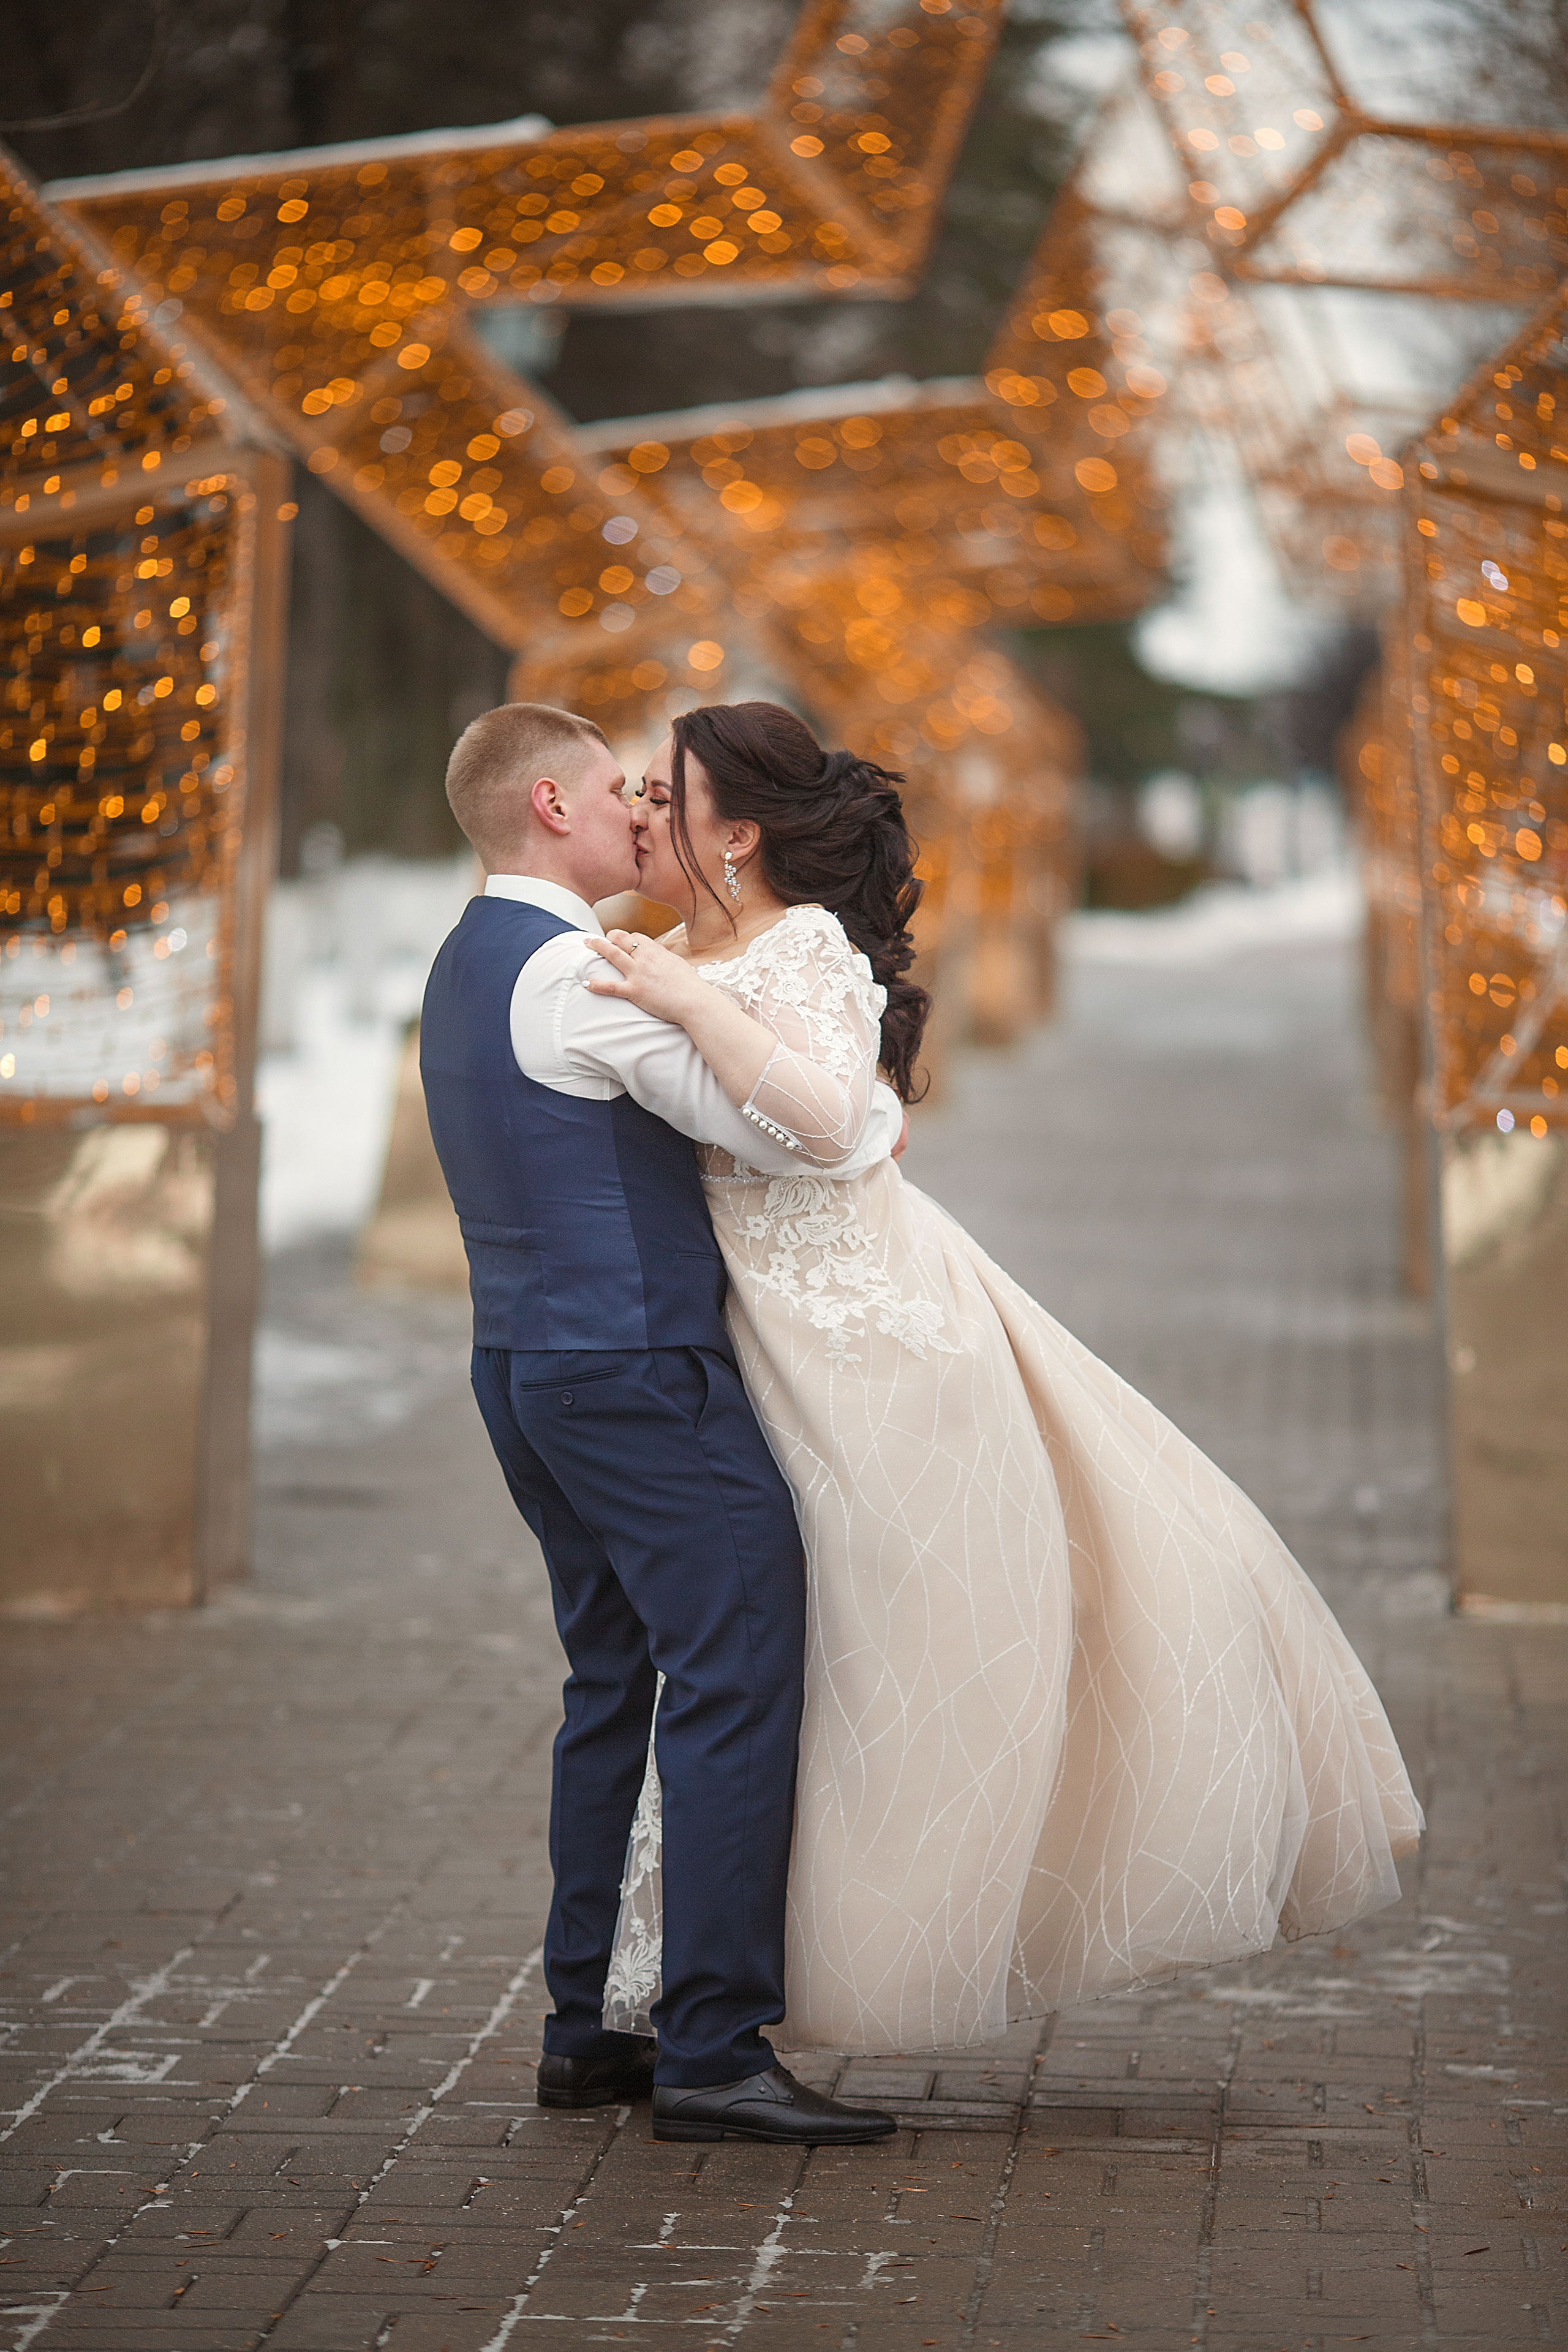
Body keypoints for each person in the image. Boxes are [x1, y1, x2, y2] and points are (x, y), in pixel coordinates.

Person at [584, 699, 1425, 2057]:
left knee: (913, 1653)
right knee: (791, 1659)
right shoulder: (665, 949)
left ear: (734, 831)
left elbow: (812, 1113)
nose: (638, 804)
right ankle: (725, 1984)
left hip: (876, 1343)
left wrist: (697, 1006)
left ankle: (874, 1952)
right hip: (762, 1335)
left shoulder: (789, 946)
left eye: (660, 788)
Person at [420, 701, 900, 2144]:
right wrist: (843, 1096)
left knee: (611, 1683)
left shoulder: (462, 958)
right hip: (635, 1374)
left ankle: (588, 2031)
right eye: (619, 795)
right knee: (738, 1670)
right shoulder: (574, 975)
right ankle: (709, 2049)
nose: (646, 816)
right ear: (548, 808)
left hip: (526, 1368)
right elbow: (791, 1131)